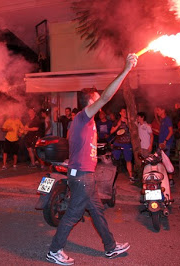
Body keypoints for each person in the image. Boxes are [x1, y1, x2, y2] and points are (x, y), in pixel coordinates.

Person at [46, 53, 137, 265]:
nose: (101, 101)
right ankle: (54, 250)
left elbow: (80, 144)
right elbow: (106, 96)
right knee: (72, 215)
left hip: (87, 175)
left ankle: (110, 247)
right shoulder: (83, 116)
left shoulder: (87, 121)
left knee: (97, 211)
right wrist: (125, 70)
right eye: (97, 98)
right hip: (82, 178)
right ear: (90, 101)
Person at [110, 108, 134, 182]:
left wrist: (128, 124)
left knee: (128, 160)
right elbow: (111, 131)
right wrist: (117, 126)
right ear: (120, 113)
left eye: (126, 111)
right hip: (118, 143)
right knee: (114, 160)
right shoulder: (117, 121)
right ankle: (112, 177)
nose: (125, 113)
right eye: (123, 112)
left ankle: (131, 176)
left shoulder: (129, 121)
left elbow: (133, 131)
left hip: (127, 143)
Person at [155, 106, 174, 186]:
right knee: (161, 161)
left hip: (166, 144)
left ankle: (171, 180)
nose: (157, 112)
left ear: (163, 110)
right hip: (161, 144)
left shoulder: (167, 119)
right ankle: (165, 179)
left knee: (166, 161)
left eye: (158, 110)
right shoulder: (162, 120)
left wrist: (165, 141)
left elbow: (171, 131)